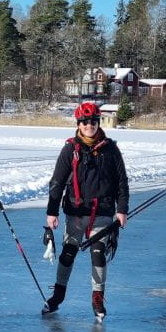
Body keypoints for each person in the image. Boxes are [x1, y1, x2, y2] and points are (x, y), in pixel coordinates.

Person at [43, 102, 129, 319]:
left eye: (93, 122)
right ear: (78, 124)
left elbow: (121, 181)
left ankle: (97, 298)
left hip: (102, 212)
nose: (89, 126)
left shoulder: (110, 149)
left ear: (98, 123)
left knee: (98, 255)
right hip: (75, 213)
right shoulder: (70, 149)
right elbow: (57, 182)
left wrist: (122, 209)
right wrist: (52, 212)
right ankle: (58, 296)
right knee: (68, 254)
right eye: (85, 122)